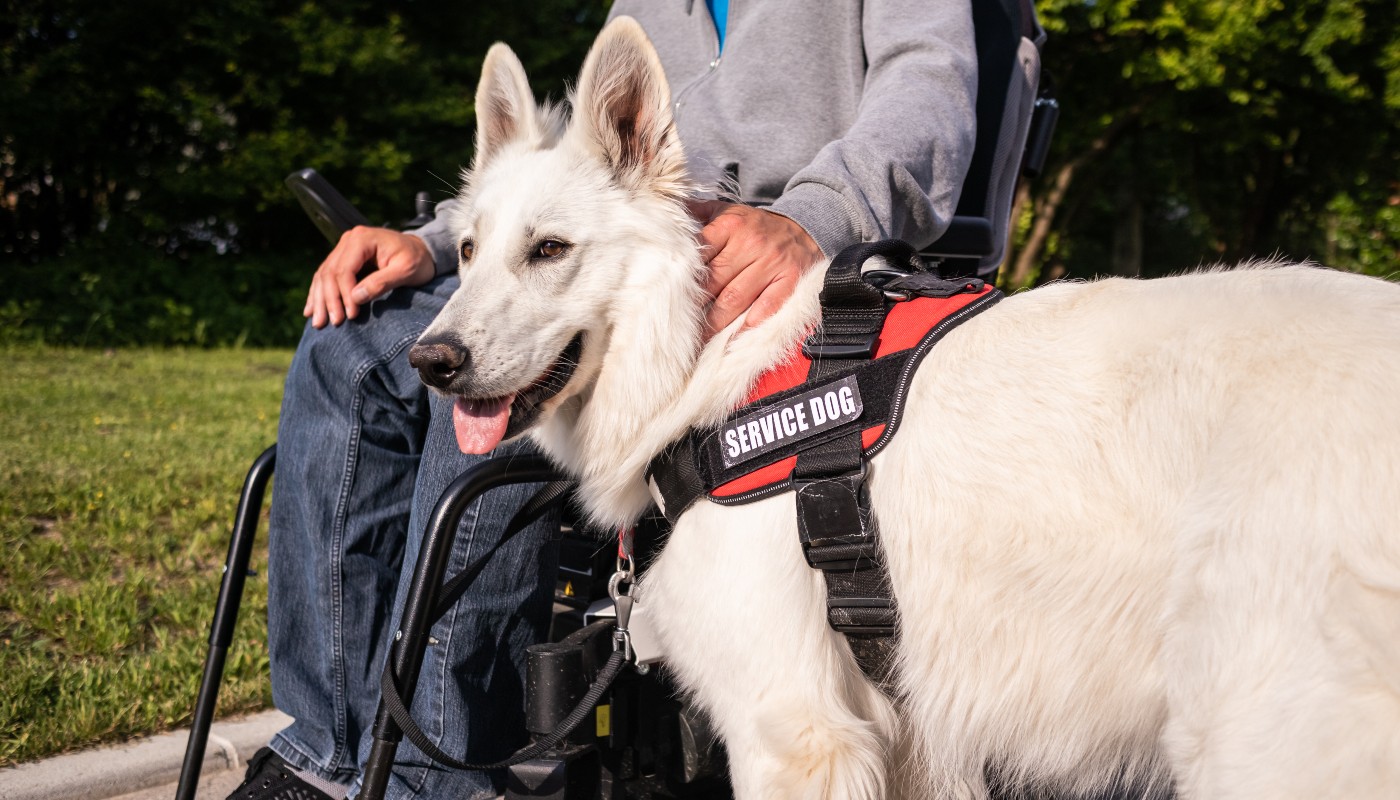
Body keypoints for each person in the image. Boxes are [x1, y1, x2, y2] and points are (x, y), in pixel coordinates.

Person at [231, 1, 976, 798]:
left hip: (768, 254)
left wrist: (813, 217)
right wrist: (438, 242)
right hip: (610, 239)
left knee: (498, 395)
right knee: (344, 351)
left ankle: (430, 779)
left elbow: (931, 85)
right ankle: (328, 759)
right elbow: (567, 173)